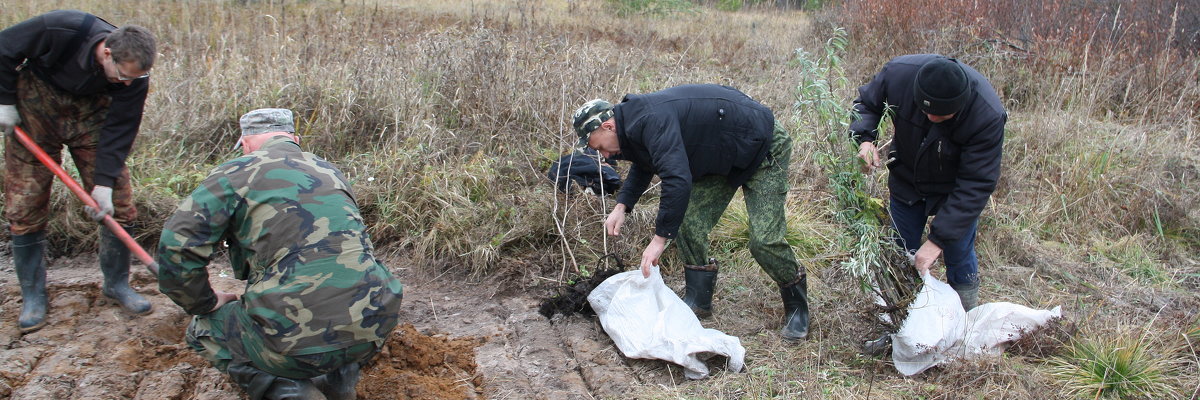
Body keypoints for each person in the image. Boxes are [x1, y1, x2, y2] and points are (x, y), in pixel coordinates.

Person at [155, 108, 404, 400]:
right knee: (342, 296)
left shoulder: (235, 172)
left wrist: (205, 303)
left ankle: (291, 391)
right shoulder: (330, 171)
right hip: (374, 324)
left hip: (294, 342)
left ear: (245, 143)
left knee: (203, 331)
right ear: (294, 139)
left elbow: (177, 247)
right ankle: (340, 383)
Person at [573, 84, 810, 340]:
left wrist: (659, 239)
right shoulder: (630, 126)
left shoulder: (650, 119)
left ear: (608, 126)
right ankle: (699, 300)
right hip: (720, 154)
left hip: (762, 146)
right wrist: (622, 205)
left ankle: (797, 308)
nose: (605, 155)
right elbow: (645, 164)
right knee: (688, 221)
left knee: (764, 240)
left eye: (599, 148)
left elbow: (677, 178)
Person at [0, 10, 158, 333]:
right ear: (108, 53)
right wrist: (4, 102)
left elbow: (120, 130)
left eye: (134, 78)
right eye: (122, 75)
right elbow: (3, 47)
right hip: (35, 109)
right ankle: (33, 296)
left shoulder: (134, 78)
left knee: (119, 198)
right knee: (25, 203)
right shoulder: (62, 29)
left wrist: (102, 185)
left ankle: (117, 284)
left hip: (92, 118)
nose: (127, 83)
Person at [851, 54, 1006, 311]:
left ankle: (964, 323)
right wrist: (865, 139)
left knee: (959, 252)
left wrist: (936, 241)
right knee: (900, 252)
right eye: (926, 111)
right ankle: (898, 322)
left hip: (955, 189)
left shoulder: (986, 114)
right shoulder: (898, 75)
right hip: (907, 178)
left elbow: (976, 183)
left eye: (942, 115)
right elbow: (866, 104)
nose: (932, 118)